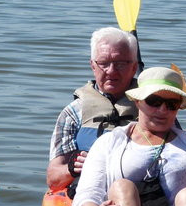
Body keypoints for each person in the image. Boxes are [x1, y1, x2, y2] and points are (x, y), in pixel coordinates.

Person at [72, 67, 186, 206]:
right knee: (122, 187)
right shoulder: (108, 142)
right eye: (154, 102)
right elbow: (86, 196)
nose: (163, 110)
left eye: (171, 104)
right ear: (137, 101)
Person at [47, 27, 139, 192]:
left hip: (141, 192)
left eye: (120, 64)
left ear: (134, 67)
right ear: (93, 66)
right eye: (103, 63)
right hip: (90, 192)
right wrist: (74, 168)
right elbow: (53, 178)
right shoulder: (73, 113)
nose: (111, 71)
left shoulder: (155, 107)